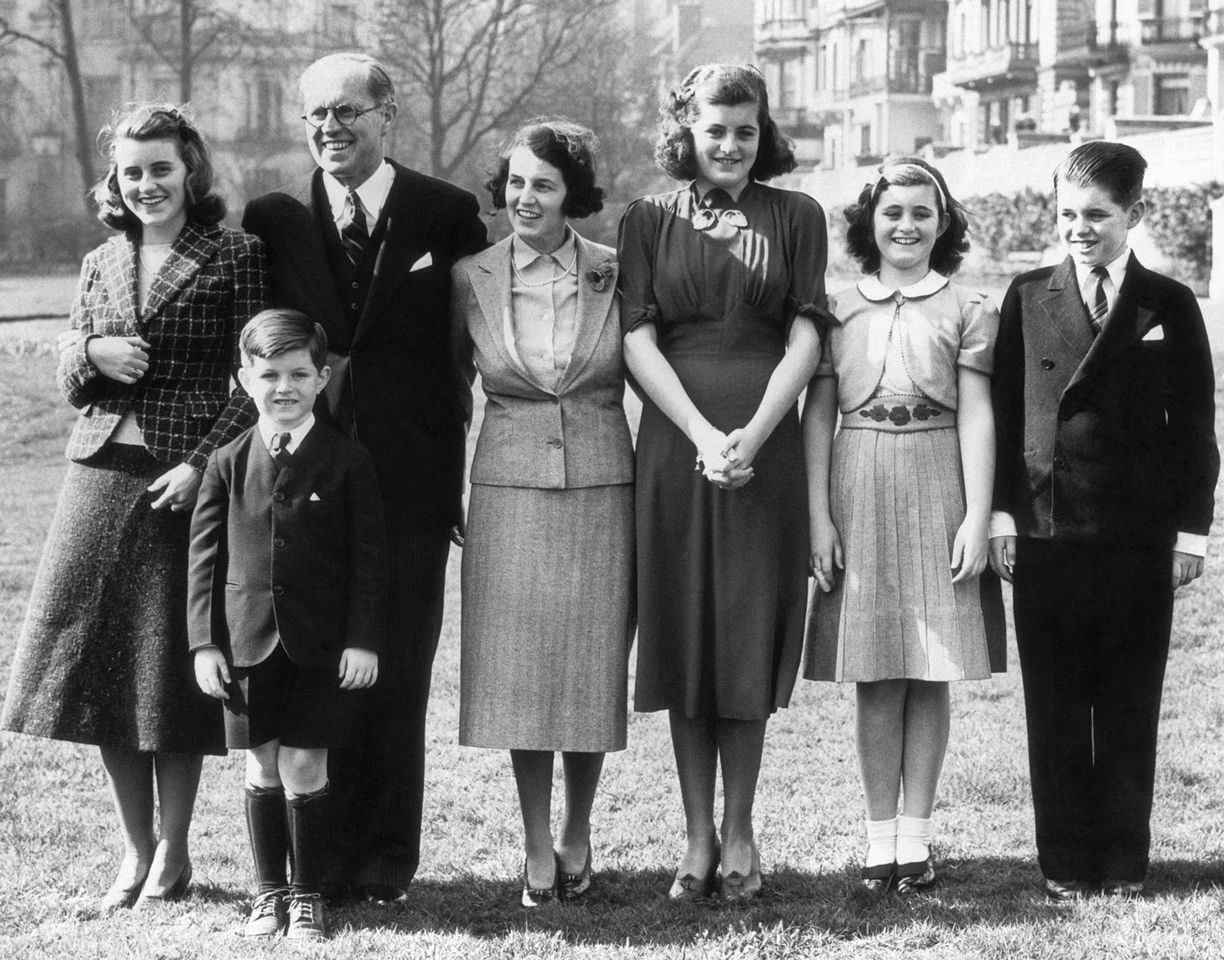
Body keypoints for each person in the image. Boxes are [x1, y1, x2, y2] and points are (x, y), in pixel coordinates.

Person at [0, 103, 266, 910]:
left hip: (182, 480)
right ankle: (135, 850)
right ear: (114, 180)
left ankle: (175, 854)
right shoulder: (98, 260)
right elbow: (72, 378)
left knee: (166, 670)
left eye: (160, 167)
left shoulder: (233, 253)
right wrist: (89, 350)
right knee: (100, 668)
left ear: (192, 171)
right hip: (98, 473)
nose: (145, 183)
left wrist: (199, 467)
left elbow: (257, 380)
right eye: (131, 171)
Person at [241, 52, 487, 903]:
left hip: (411, 483)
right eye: (315, 115)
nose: (329, 129)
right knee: (311, 666)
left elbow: (462, 362)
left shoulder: (447, 214)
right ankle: (321, 863)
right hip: (305, 491)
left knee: (395, 669)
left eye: (347, 112)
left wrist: (454, 478)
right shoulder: (272, 219)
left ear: (389, 116)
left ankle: (385, 861)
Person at [617, 63, 829, 901]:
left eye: (746, 130)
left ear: (762, 131)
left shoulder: (797, 215)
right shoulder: (647, 219)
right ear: (687, 131)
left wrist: (754, 433)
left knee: (742, 633)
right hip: (677, 450)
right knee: (686, 633)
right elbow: (636, 338)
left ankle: (740, 828)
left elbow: (808, 334)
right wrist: (704, 435)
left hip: (764, 451)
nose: (732, 145)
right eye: (716, 130)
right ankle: (696, 838)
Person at [989, 141, 1219, 901]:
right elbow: (1002, 415)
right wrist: (998, 516)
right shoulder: (1026, 297)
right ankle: (1063, 860)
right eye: (1067, 215)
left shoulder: (1169, 302)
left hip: (1138, 536)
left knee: (1128, 699)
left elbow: (1194, 427)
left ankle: (1122, 859)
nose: (1079, 230)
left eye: (1097, 215)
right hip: (1046, 530)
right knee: (1053, 703)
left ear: (1135, 215)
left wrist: (1190, 534)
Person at [803, 158, 1005, 896]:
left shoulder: (968, 306)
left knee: (931, 666)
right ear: (870, 222)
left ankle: (917, 838)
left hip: (937, 479)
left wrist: (977, 516)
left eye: (923, 213)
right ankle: (878, 837)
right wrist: (819, 516)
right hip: (859, 477)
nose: (907, 226)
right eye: (893, 212)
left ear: (943, 223)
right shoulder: (837, 306)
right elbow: (818, 414)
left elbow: (978, 412)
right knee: (878, 669)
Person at [451, 120, 635, 908]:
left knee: (591, 667)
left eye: (546, 185)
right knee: (520, 674)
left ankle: (578, 832)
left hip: (603, 487)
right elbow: (447, 391)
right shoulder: (470, 277)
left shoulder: (616, 272)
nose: (527, 198)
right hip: (507, 489)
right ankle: (534, 843)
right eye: (517, 183)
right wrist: (444, 490)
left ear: (574, 195)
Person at [188, 309, 388, 940]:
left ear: (321, 377)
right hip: (247, 646)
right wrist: (202, 644)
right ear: (244, 378)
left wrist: (363, 639)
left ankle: (307, 895)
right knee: (261, 765)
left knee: (306, 765)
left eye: (299, 374)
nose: (284, 387)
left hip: (323, 649)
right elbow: (203, 561)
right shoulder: (225, 461)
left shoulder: (348, 460)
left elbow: (371, 561)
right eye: (268, 374)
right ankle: (267, 893)